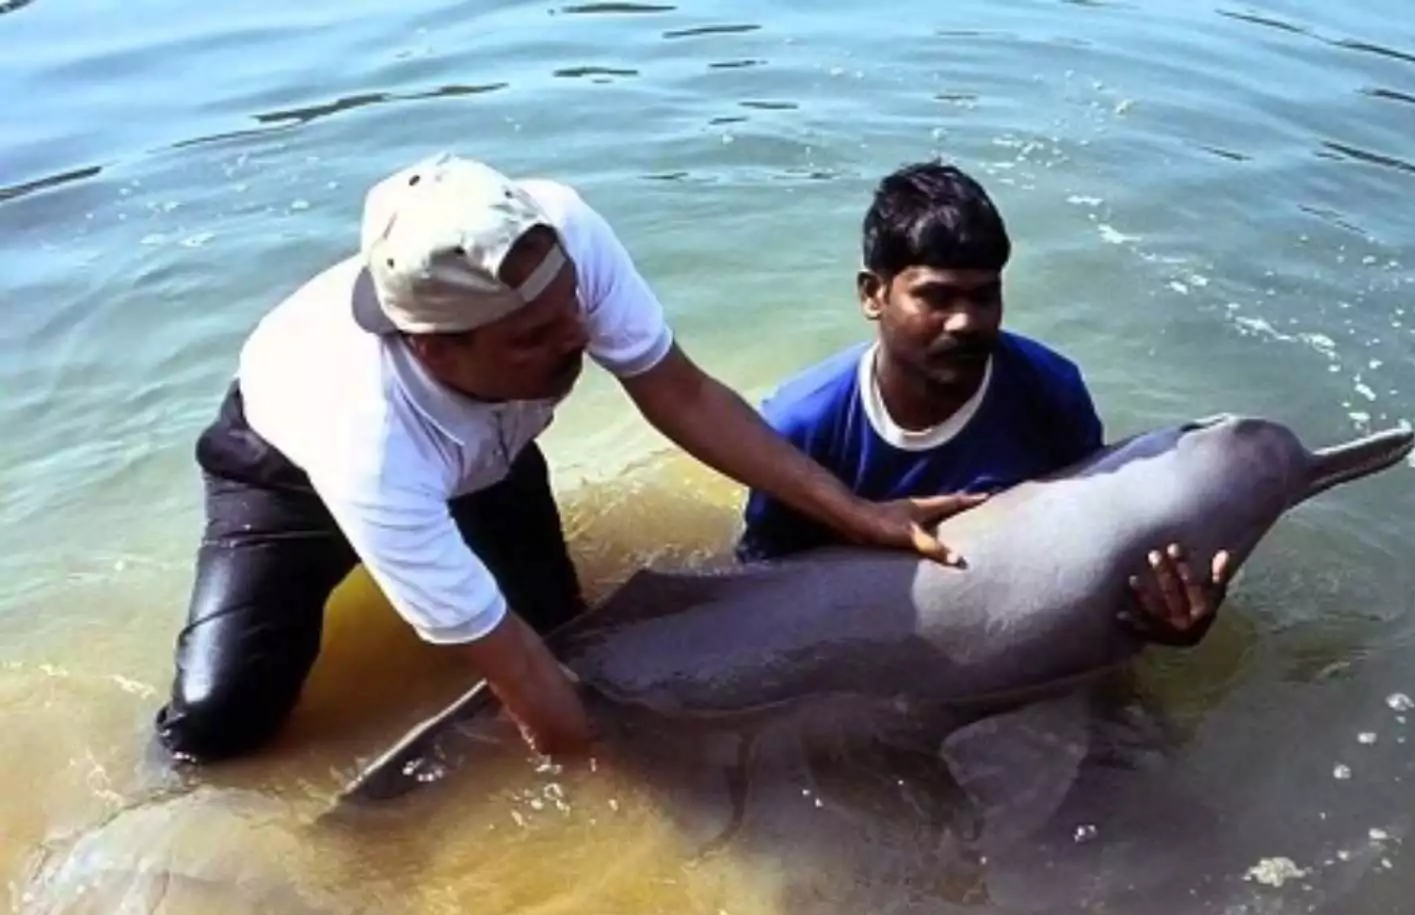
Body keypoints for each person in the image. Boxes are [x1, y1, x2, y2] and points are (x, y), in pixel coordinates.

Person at [154, 152, 982, 765]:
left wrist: (859, 512)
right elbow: (515, 675)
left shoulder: (564, 234)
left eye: (571, 308)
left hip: (491, 448)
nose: (579, 339)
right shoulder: (365, 438)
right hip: (284, 475)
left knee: (571, 639)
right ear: (437, 351)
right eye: (538, 337)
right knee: (217, 724)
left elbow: (682, 395)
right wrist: (614, 803)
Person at [736, 160, 1231, 645]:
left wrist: (1167, 620)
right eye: (936, 297)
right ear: (873, 295)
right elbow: (759, 594)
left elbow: (1092, 555)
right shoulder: (802, 425)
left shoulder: (1049, 392)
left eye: (983, 296)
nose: (965, 322)